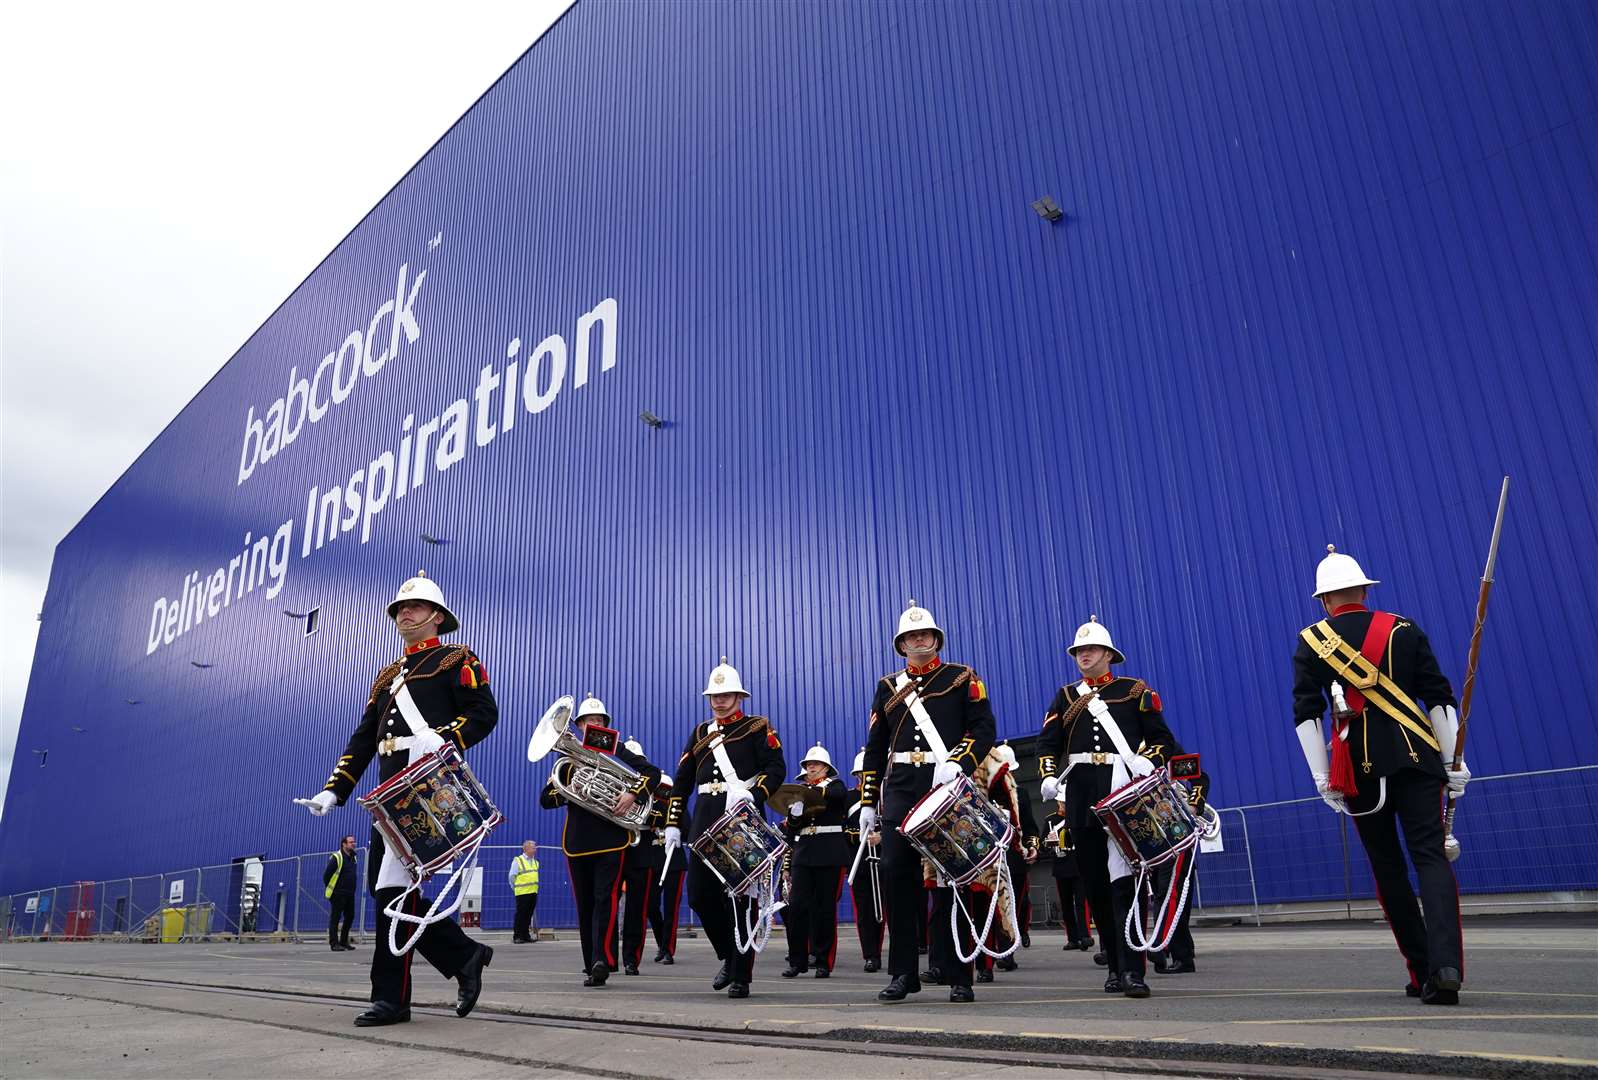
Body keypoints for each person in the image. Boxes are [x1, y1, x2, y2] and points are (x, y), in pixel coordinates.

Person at [295, 571, 497, 1027]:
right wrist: (335, 789)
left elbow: (485, 714)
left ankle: (394, 997)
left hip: (426, 791)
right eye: (400, 609)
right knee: (387, 891)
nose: (404, 613)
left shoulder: (455, 659)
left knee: (391, 892)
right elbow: (365, 739)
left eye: (415, 607)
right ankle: (462, 956)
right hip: (389, 795)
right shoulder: (388, 677)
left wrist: (445, 741)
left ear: (437, 617)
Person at [1292, 546, 1468, 1005]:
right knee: (1430, 858)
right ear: (1365, 590)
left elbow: (1306, 713)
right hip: (1419, 759)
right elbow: (1439, 696)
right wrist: (1454, 762)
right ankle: (1447, 966)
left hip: (1357, 769)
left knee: (1388, 867)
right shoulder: (1404, 628)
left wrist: (1319, 775)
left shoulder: (1312, 640)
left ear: (1324, 601)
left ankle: (1422, 968)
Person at [1036, 615, 1196, 999]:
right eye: (1078, 651)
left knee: (1126, 885)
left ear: (1108, 654)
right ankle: (1112, 964)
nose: (1083, 655)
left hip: (1122, 795)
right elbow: (1048, 743)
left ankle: (1133, 970)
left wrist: (1151, 761)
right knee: (1096, 887)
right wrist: (1047, 774)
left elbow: (1162, 739)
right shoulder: (1065, 696)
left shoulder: (1134, 690)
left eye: (1090, 649)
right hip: (1081, 799)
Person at [861, 600, 995, 1004]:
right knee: (897, 875)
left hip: (946, 784)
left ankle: (959, 974)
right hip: (901, 786)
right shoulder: (888, 687)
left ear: (936, 640)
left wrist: (959, 761)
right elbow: (875, 747)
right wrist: (869, 800)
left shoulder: (961, 677)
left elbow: (983, 727)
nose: (918, 640)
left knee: (954, 877)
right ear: (901, 646)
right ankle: (903, 973)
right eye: (910, 637)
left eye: (925, 635)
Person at [662, 658, 786, 999]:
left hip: (741, 820)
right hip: (704, 822)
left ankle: (741, 975)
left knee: (741, 901)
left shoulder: (758, 727)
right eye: (714, 695)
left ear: (739, 696)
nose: (719, 700)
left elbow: (776, 769)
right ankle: (729, 957)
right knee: (700, 896)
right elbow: (682, 782)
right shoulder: (701, 733)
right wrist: (674, 822)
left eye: (726, 694)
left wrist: (754, 792)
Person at [539, 695, 658, 987]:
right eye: (589, 721)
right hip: (577, 841)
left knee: (606, 900)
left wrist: (632, 794)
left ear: (605, 724)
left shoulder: (616, 748)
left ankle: (602, 960)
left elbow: (652, 774)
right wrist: (571, 787)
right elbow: (546, 799)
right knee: (585, 904)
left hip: (612, 839)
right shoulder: (566, 758)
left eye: (599, 720)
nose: (594, 724)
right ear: (578, 725)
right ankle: (590, 962)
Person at [779, 745, 849, 979]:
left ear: (826, 768)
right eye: (808, 765)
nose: (810, 767)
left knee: (824, 909)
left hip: (828, 852)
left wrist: (810, 794)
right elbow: (793, 829)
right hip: (804, 852)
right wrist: (795, 813)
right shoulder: (800, 792)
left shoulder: (835, 785)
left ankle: (822, 961)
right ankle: (797, 960)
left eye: (815, 764)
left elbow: (838, 796)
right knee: (797, 907)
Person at [618, 738, 664, 976]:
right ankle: (604, 956)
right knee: (606, 905)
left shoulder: (652, 787)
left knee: (637, 909)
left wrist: (642, 812)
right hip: (615, 846)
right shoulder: (613, 779)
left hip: (642, 849)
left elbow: (663, 817)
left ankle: (631, 959)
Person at [845, 749, 883, 973]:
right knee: (864, 909)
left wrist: (882, 837)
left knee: (883, 908)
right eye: (861, 775)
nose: (865, 779)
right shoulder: (849, 798)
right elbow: (842, 828)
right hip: (857, 858)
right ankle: (870, 955)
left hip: (881, 855)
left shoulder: (883, 797)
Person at [1043, 795, 1094, 951]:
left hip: (1078, 866)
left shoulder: (1077, 818)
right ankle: (1072, 938)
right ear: (1058, 803)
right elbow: (1043, 846)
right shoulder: (1050, 820)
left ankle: (1085, 936)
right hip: (1061, 866)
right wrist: (1048, 841)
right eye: (1063, 802)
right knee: (1066, 905)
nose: (1065, 804)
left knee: (1081, 903)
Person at [648, 776, 686, 964]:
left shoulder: (678, 807)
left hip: (674, 861)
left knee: (672, 908)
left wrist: (677, 826)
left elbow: (687, 828)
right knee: (650, 905)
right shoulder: (648, 804)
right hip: (654, 859)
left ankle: (668, 949)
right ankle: (662, 942)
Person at [324, 835, 358, 951]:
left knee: (350, 917)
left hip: (350, 893)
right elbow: (326, 875)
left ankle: (344, 942)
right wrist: (333, 890)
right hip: (338, 893)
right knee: (335, 918)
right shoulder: (337, 857)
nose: (353, 844)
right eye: (351, 842)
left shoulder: (353, 858)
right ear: (344, 844)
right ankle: (334, 944)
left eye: (354, 842)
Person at [508, 841, 540, 943]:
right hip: (522, 893)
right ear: (526, 849)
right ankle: (517, 936)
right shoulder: (518, 861)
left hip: (533, 892)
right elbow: (512, 876)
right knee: (520, 915)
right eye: (533, 848)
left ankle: (526, 935)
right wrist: (516, 888)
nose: (535, 849)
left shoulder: (535, 862)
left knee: (528, 915)